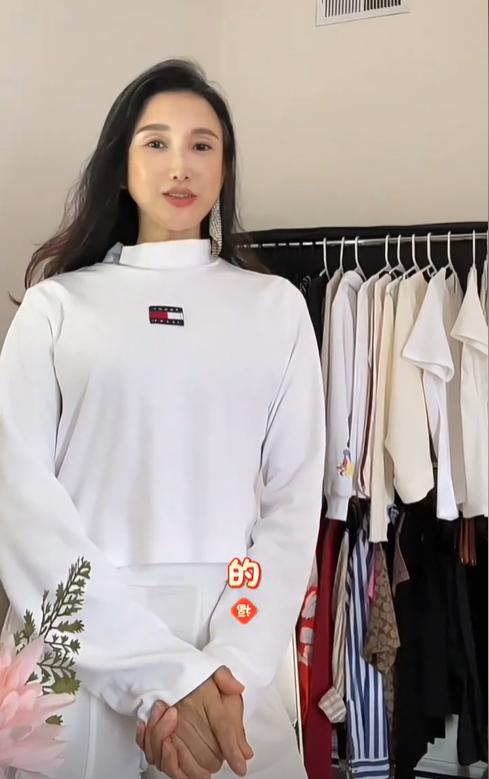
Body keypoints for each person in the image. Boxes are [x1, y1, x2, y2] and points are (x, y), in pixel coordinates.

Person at [0, 59, 325, 779]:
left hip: (232, 644)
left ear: (225, 167)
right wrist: (165, 679)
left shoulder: (275, 309)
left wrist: (228, 665)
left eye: (202, 145)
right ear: (121, 165)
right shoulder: (57, 308)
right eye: (156, 142)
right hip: (79, 639)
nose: (180, 165)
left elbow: (292, 504)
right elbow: (20, 504)